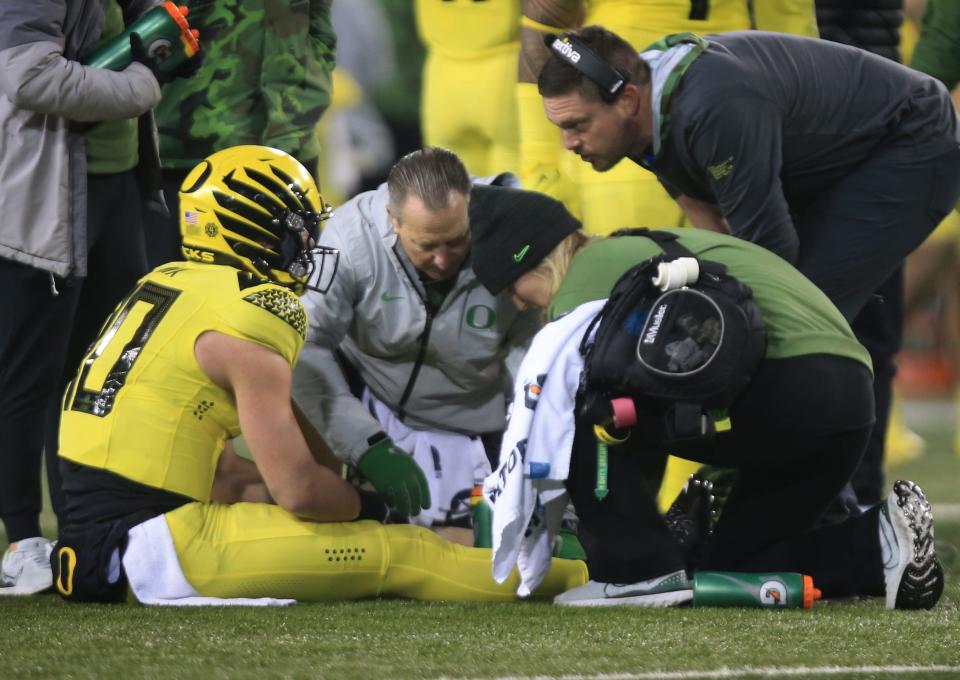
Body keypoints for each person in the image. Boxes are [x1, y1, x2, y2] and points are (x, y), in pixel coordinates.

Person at [51, 145, 587, 605]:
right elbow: (301, 492)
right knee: (405, 553)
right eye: (299, 231)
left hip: (98, 536)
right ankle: (592, 573)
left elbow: (223, 473)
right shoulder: (253, 311)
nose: (310, 245)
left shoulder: (166, 281)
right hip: (149, 547)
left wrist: (340, 485)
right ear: (258, 232)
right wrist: (372, 508)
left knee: (306, 508)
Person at [535, 25, 960, 510]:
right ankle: (804, 500)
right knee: (754, 323)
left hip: (913, 141)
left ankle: (825, 511)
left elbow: (768, 259)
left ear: (628, 100)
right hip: (851, 157)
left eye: (578, 125)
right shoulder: (647, 107)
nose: (569, 143)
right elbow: (712, 232)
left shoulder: (710, 106)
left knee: (800, 322)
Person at [469, 214, 944, 609]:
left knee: (569, 386)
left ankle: (636, 571)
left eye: (512, 285)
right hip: (846, 400)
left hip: (786, 388)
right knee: (734, 571)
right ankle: (876, 541)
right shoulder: (647, 244)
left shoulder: (588, 270)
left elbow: (580, 400)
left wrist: (613, 530)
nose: (516, 301)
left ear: (537, 260)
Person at [292, 147, 577, 536]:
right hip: (372, 402)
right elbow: (306, 342)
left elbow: (540, 350)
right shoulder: (349, 237)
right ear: (393, 220)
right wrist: (363, 441)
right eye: (427, 246)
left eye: (456, 242)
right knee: (281, 355)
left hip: (486, 417)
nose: (443, 261)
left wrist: (530, 443)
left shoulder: (516, 230)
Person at [0, 0, 171, 595]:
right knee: (28, 376)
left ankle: (81, 528)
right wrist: (143, 83)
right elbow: (29, 76)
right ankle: (23, 538)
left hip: (114, 189)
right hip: (43, 198)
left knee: (95, 376)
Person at [144, 0, 337, 268]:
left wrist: (312, 74)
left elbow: (317, 18)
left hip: (288, 150)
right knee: (173, 298)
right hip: (182, 156)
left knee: (288, 297)